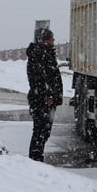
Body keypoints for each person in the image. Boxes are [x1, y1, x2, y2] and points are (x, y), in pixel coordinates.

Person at [26, 28, 63, 162]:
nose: (53, 41)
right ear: (45, 40)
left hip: (44, 98)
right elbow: (39, 79)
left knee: (43, 131)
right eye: (51, 39)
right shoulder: (39, 55)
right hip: (42, 99)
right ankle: (35, 158)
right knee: (40, 130)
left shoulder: (45, 53)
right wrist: (48, 95)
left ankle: (36, 157)